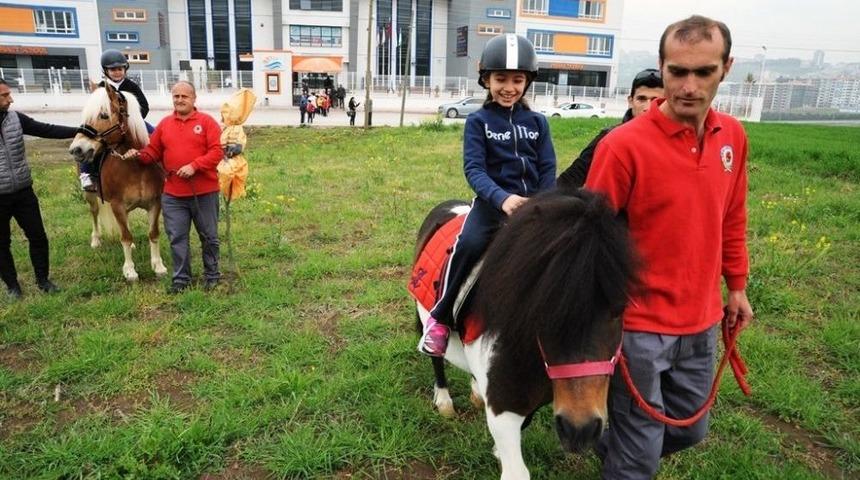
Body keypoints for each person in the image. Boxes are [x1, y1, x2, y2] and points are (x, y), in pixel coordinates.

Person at [585, 15, 754, 479]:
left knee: (690, 429)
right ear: (661, 68)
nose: (689, 86)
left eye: (704, 72)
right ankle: (625, 459)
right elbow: (591, 239)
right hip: (639, 325)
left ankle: (611, 446)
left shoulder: (733, 138)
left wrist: (735, 287)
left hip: (702, 319)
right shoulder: (622, 147)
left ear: (726, 67)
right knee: (639, 456)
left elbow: (732, 216)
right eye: (677, 71)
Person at [418, 34, 556, 356]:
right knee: (468, 244)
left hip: (533, 207)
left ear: (528, 82)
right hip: (492, 205)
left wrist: (540, 202)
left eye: (517, 80)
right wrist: (503, 199)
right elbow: (475, 170)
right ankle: (440, 317)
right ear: (486, 80)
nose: (509, 87)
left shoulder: (538, 123)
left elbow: (548, 168)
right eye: (501, 79)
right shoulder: (478, 122)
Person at [124, 81, 223, 294]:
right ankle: (181, 279)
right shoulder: (165, 124)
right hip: (173, 195)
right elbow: (153, 152)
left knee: (209, 236)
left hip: (204, 193)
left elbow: (217, 152)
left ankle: (212, 275)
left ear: (194, 98)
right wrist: (138, 155)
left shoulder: (207, 122)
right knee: (177, 237)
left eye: (184, 96)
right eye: (176, 96)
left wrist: (194, 166)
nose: (179, 100)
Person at [0, 78, 78, 299]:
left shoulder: (15, 119)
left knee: (38, 236)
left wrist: (80, 130)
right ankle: (12, 286)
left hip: (23, 192)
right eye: (4, 96)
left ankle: (43, 280)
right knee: (2, 243)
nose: (10, 99)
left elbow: (47, 129)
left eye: (9, 94)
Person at [556, 68, 663, 189]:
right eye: (641, 99)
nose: (647, 107)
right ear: (630, 101)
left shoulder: (680, 141)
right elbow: (572, 178)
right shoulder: (609, 137)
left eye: (656, 100)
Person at [79, 49, 152, 192]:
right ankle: (86, 173)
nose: (117, 72)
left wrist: (133, 121)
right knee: (90, 141)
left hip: (132, 123)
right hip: (109, 125)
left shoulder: (131, 86)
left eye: (120, 69)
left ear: (125, 69)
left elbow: (145, 106)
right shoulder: (101, 88)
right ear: (106, 71)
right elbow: (95, 109)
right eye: (113, 69)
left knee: (155, 134)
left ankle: (163, 168)